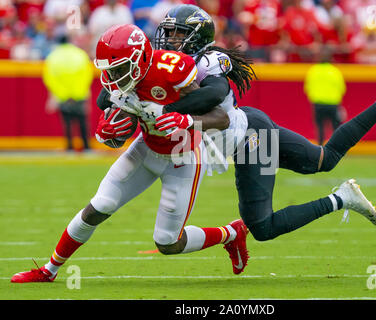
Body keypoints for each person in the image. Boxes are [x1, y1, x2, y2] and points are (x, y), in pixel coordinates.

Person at [130, 4, 376, 273]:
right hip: (249, 128)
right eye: (168, 33)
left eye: (177, 34)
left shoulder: (208, 61)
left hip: (249, 138)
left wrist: (163, 109)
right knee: (323, 160)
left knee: (262, 227)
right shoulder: (166, 64)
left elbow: (213, 93)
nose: (169, 40)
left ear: (197, 37)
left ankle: (341, 198)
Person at [10, 24, 249, 283]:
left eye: (120, 68)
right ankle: (49, 270)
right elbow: (120, 127)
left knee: (168, 243)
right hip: (146, 149)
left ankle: (231, 233)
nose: (113, 77)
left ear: (140, 59)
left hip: (184, 156)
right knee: (99, 206)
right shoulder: (120, 82)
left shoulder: (171, 69)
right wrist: (110, 133)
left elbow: (221, 118)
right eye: (110, 70)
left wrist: (187, 120)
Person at [42, 35, 93, 152]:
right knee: (82, 123)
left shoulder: (53, 57)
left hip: (63, 95)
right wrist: (79, 90)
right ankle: (87, 147)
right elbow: (87, 74)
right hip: (79, 94)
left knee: (67, 123)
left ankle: (69, 147)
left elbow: (49, 77)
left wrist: (61, 92)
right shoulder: (80, 54)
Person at [304, 46, 346, 145]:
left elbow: (307, 87)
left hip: (318, 103)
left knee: (320, 128)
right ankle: (337, 147)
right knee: (336, 128)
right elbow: (342, 88)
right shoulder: (335, 71)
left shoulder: (313, 70)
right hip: (333, 103)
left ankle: (320, 148)